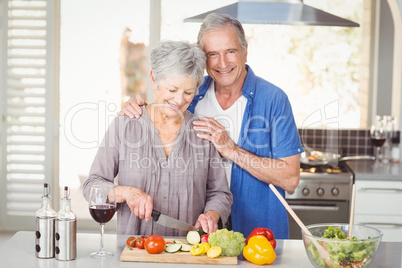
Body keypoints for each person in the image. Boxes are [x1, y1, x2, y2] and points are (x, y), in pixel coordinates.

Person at [118, 13, 303, 239]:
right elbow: (163, 103)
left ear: (245, 51)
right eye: (212, 54)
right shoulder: (190, 96)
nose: (222, 63)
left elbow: (291, 179)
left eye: (230, 52)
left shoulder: (274, 100)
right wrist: (134, 107)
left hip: (259, 229)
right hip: (202, 228)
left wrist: (230, 149)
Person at [83, 40, 233, 236]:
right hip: (135, 252)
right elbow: (92, 185)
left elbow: (220, 193)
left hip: (188, 255)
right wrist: (126, 193)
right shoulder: (124, 125)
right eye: (172, 90)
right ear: (154, 79)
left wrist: (211, 215)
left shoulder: (203, 133)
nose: (179, 100)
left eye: (188, 92)